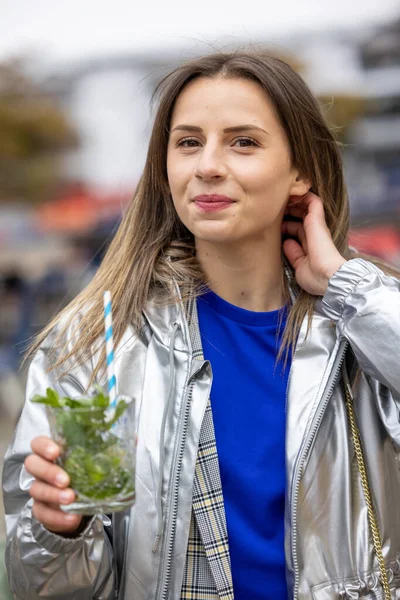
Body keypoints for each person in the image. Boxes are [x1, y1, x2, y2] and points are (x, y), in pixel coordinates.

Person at [3, 51, 400, 600]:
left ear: (300, 171)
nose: (208, 165)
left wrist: (347, 286)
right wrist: (57, 531)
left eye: (244, 142)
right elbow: (43, 590)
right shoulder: (92, 344)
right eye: (188, 142)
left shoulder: (361, 329)